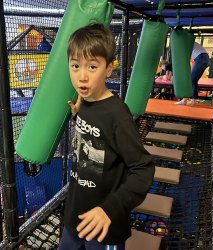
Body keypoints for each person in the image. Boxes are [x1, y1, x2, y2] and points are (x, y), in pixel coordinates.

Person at [58, 23, 155, 250]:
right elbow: (97, 136)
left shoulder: (117, 115)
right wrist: (76, 117)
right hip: (75, 216)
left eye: (92, 67)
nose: (82, 76)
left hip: (104, 226)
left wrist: (110, 209)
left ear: (109, 68)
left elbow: (143, 169)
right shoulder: (85, 103)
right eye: (75, 66)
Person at [175, 41, 210, 105]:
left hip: (201, 57)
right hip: (205, 58)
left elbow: (185, 57)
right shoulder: (189, 41)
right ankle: (195, 99)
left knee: (191, 80)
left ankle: (185, 100)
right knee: (194, 80)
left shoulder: (185, 42)